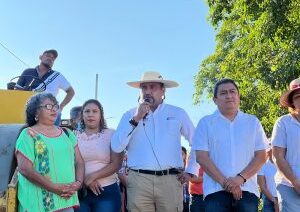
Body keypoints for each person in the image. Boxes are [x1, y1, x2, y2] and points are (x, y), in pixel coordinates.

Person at [111, 71, 199, 212]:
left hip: (170, 179)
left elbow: (197, 142)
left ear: (163, 90)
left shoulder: (178, 113)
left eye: (153, 87)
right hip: (139, 180)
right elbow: (116, 146)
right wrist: (136, 119)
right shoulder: (129, 115)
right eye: (144, 88)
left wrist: (191, 170)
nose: (148, 91)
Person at [192, 78, 268, 212]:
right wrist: (226, 183)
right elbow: (201, 157)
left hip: (247, 190)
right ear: (215, 100)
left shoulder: (252, 122)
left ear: (238, 96)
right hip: (215, 192)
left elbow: (261, 156)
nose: (229, 96)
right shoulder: (206, 123)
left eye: (232, 92)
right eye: (223, 93)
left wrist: (240, 179)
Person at [15, 93, 84, 212]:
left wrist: (78, 183)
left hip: (66, 201)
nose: (53, 109)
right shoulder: (28, 134)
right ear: (35, 112)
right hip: (38, 205)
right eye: (48, 106)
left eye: (55, 106)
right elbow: (25, 169)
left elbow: (79, 162)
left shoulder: (67, 133)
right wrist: (54, 188)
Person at [75, 99, 123, 212]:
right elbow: (71, 163)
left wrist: (90, 178)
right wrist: (84, 182)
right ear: (82, 115)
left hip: (107, 192)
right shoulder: (73, 136)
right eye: (87, 111)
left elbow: (116, 164)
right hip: (81, 192)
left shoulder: (111, 134)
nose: (90, 114)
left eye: (95, 111)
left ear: (101, 115)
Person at [17, 49, 75, 125]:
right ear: (40, 57)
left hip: (50, 112)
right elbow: (16, 90)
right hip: (27, 111)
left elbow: (71, 92)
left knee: (51, 136)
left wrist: (61, 106)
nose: (50, 58)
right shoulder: (27, 72)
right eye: (48, 55)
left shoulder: (57, 76)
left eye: (53, 58)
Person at [272, 77, 300, 212]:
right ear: (292, 102)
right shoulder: (283, 123)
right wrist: (295, 181)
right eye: (298, 96)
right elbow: (277, 156)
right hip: (288, 185)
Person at [258, 144, 279, 212]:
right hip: (269, 198)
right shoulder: (262, 165)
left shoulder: (284, 163)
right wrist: (274, 201)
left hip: (284, 198)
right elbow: (262, 186)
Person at [182, 146, 190, 212]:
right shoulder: (173, 168)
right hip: (179, 198)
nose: (180, 156)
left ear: (185, 155)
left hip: (188, 197)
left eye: (182, 154)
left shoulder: (190, 167)